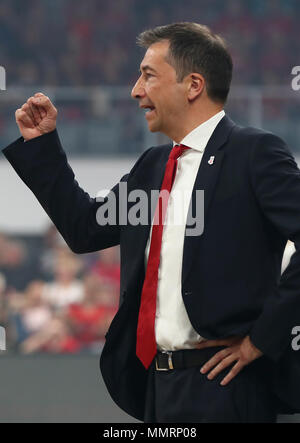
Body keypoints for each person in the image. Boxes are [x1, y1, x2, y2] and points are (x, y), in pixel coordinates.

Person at [2, 22, 300, 423]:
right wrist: (42, 147)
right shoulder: (153, 166)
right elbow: (83, 227)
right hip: (157, 388)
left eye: (148, 75)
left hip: (229, 386)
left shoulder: (254, 153)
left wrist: (261, 341)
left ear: (193, 85)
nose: (135, 90)